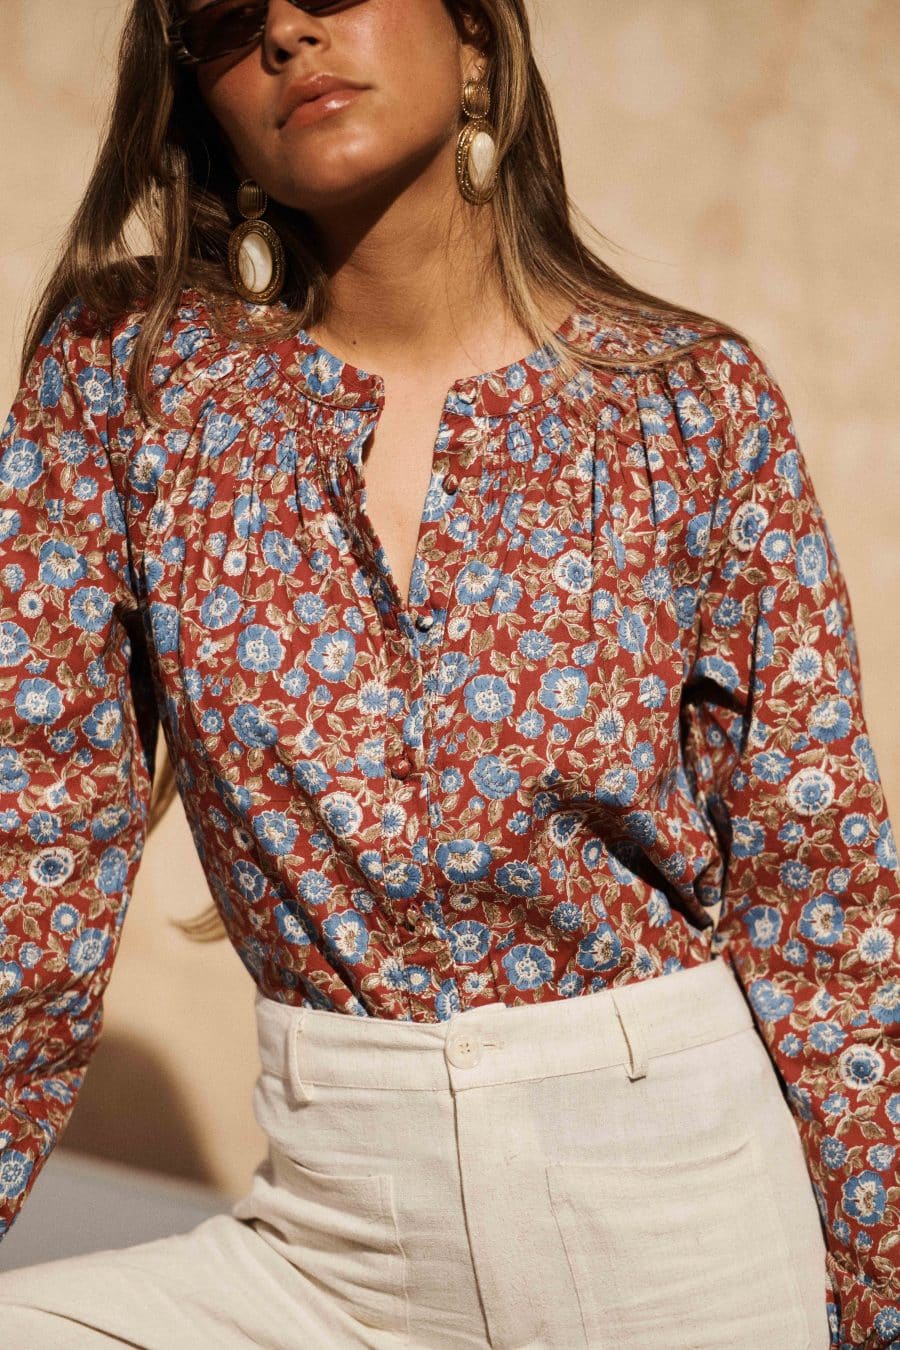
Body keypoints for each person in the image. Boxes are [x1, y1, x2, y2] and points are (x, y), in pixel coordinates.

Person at [0, 0, 896, 1345]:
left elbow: (817, 889)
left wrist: (876, 1288)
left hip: (681, 1223)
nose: (290, 33)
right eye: (229, 20)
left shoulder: (689, 404)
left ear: (476, 36)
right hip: (331, 1247)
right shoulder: (129, 383)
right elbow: (35, 850)